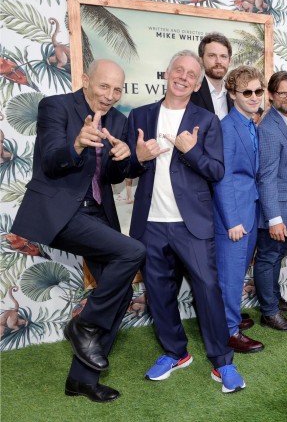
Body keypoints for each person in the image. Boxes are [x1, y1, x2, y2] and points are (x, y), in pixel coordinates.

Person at [11, 59, 145, 403]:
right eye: (104, 86)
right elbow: (50, 161)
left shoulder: (118, 121)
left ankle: (82, 380)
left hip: (97, 213)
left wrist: (126, 159)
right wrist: (77, 145)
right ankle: (82, 325)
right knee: (133, 251)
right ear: (86, 80)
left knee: (121, 294)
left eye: (117, 90)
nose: (110, 95)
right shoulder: (55, 107)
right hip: (61, 212)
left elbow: (112, 177)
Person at [128, 50, 244, 393]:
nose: (183, 77)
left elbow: (217, 171)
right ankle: (176, 352)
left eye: (191, 74)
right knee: (158, 293)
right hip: (150, 223)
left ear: (196, 85)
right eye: (178, 70)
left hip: (191, 224)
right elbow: (121, 169)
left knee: (208, 290)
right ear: (166, 73)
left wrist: (190, 151)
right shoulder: (140, 115)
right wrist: (138, 158)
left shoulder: (206, 121)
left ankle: (222, 362)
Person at [211, 65, 268, 353]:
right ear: (233, 94)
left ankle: (230, 317)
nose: (254, 96)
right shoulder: (227, 127)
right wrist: (232, 221)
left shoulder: (250, 124)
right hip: (233, 215)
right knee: (230, 276)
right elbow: (223, 177)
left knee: (238, 271)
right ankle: (229, 331)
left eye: (259, 91)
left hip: (250, 208)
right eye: (247, 92)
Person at [252, 71, 287, 332]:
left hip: (283, 207)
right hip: (273, 210)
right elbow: (267, 177)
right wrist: (274, 219)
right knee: (268, 257)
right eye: (283, 93)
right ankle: (269, 313)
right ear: (271, 95)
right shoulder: (270, 128)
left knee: (275, 255)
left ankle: (272, 300)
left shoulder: (284, 121)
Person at [190, 32, 233, 119]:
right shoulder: (190, 93)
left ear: (229, 61)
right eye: (212, 56)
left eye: (223, 56)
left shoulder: (235, 93)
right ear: (201, 60)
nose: (218, 61)